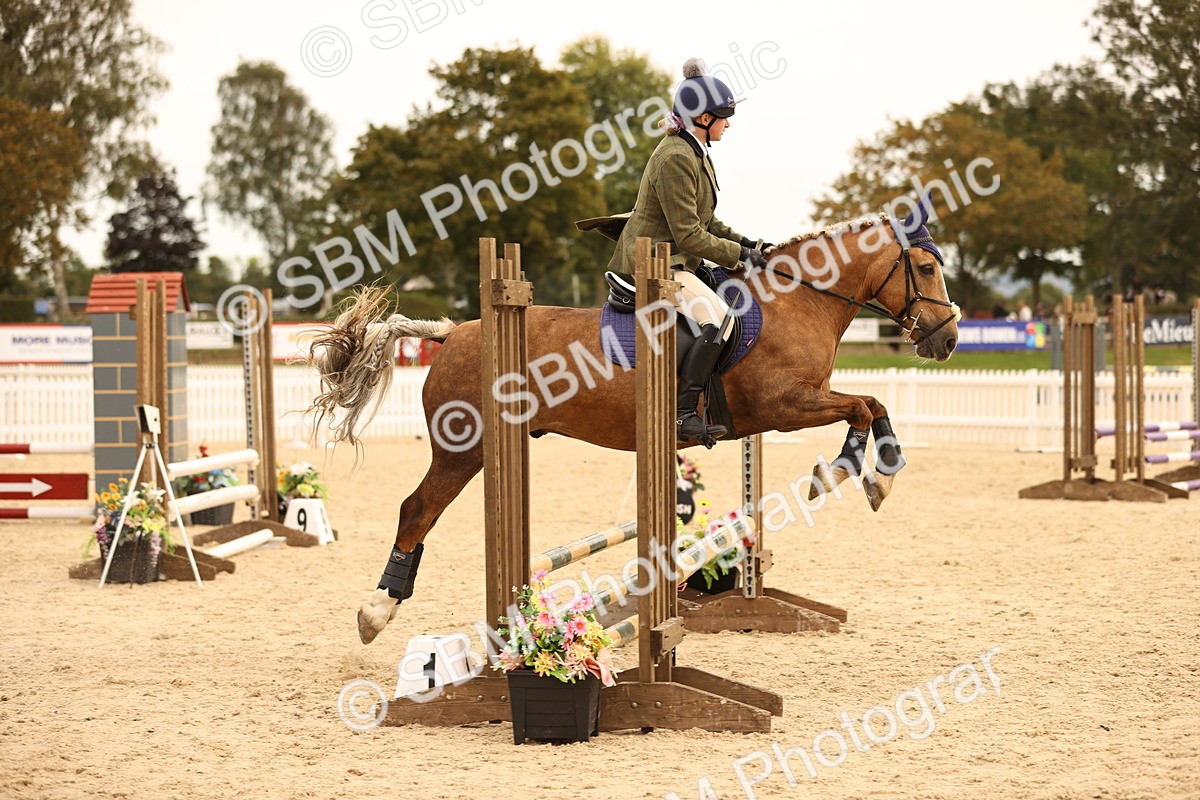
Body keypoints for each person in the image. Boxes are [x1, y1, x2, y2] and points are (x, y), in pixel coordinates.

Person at [607, 58, 772, 445]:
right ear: (701, 118)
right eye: (723, 116)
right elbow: (689, 236)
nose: (728, 123)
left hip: (675, 256)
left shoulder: (694, 151)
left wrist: (750, 245)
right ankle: (683, 414)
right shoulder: (675, 157)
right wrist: (739, 256)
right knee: (718, 319)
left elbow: (708, 221)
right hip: (654, 261)